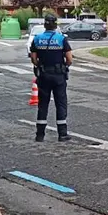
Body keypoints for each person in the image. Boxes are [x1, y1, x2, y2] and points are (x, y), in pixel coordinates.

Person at [30, 14, 72, 142]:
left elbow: (33, 58)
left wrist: (40, 65)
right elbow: (69, 59)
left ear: (44, 25)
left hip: (43, 75)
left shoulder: (37, 39)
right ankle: (62, 134)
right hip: (58, 76)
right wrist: (64, 66)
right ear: (55, 25)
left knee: (43, 104)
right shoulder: (61, 39)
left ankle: (40, 134)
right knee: (61, 103)